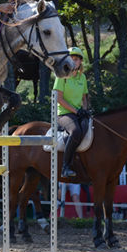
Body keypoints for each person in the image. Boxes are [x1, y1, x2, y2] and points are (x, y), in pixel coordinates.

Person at [53, 46, 90, 179]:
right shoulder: (61, 76)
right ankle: (65, 167)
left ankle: (82, 163)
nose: (74, 61)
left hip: (78, 112)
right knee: (76, 131)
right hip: (63, 114)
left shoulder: (83, 77)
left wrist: (85, 110)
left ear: (80, 62)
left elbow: (84, 98)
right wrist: (76, 111)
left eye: (77, 59)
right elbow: (59, 98)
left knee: (88, 128)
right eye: (72, 58)